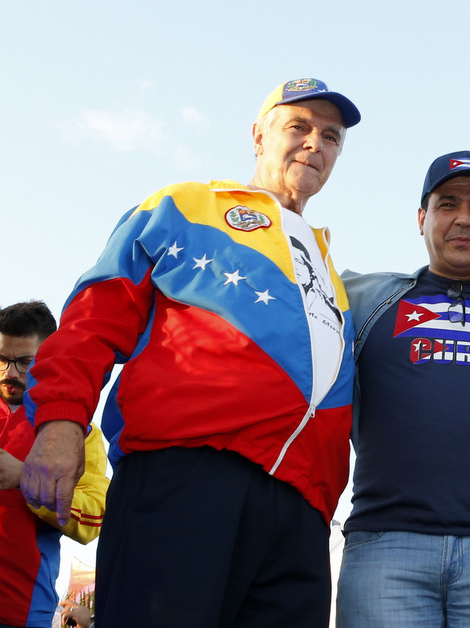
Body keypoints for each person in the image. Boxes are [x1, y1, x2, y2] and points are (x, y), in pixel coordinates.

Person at [20, 78, 362, 627]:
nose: (314, 143)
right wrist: (60, 422)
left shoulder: (331, 274)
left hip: (302, 514)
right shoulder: (185, 205)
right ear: (259, 135)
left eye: (330, 136)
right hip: (184, 477)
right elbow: (92, 320)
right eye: (298, 126)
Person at [336, 151, 470, 627]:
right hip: (385, 547)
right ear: (422, 218)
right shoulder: (362, 300)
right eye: (448, 204)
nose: (464, 219)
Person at [0, 301, 106, 628]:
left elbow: (93, 519)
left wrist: (27, 478)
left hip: (19, 610)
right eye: (2, 359)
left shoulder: (79, 433)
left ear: (48, 359)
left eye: (24, 362)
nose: (10, 373)